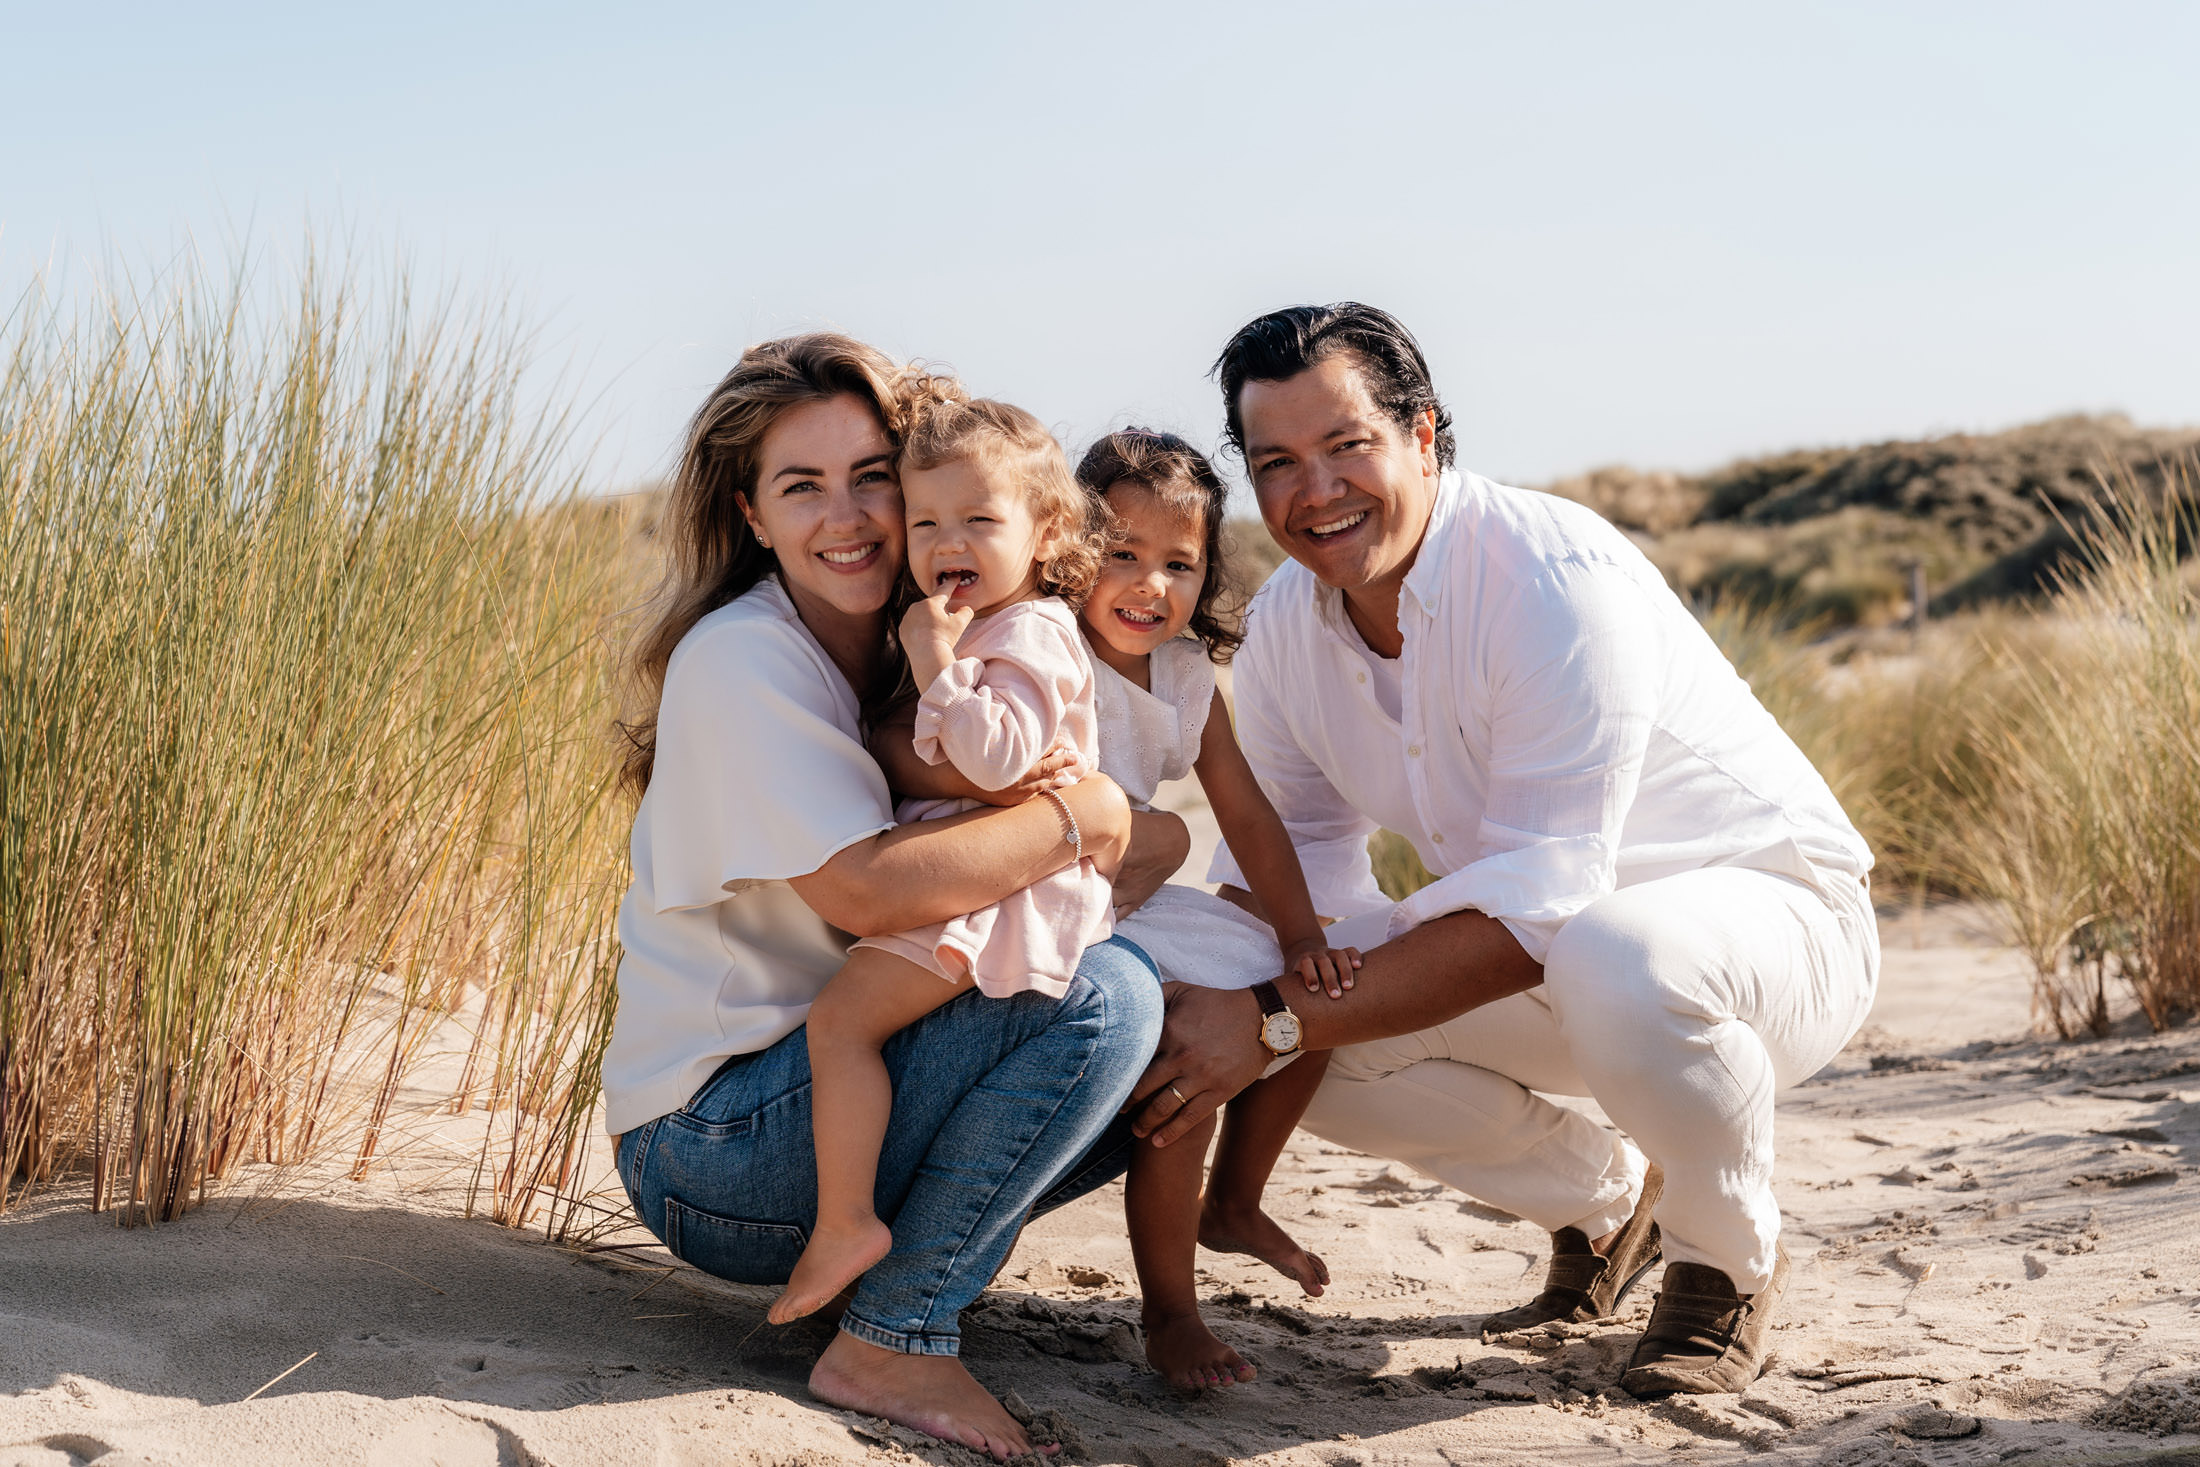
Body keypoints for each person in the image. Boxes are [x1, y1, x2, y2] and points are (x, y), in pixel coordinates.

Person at [1125, 303, 1879, 1397]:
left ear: (1423, 436)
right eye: (1278, 461)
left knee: (1603, 955)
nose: (1315, 491)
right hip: (1568, 957)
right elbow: (1291, 880)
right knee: (1301, 1051)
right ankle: (1612, 1206)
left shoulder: (1549, 577)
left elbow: (1547, 899)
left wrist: (1273, 1017)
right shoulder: (1290, 621)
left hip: (1772, 932)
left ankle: (1727, 1268)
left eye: (1347, 447)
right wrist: (1219, 1015)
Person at [605, 334, 1182, 1462]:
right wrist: (1085, 821)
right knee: (1105, 998)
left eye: (874, 478)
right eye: (802, 486)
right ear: (753, 516)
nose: (852, 516)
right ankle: (894, 1331)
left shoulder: (913, 648)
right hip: (711, 1145)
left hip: (818, 1096)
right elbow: (874, 894)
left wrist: (1106, 820)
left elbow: (1083, 817)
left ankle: (890, 1275)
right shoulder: (744, 659)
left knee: (1167, 1022)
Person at [768, 389, 1116, 1327]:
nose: (945, 541)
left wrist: (933, 661)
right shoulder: (992, 628)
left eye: (978, 519)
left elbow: (997, 758)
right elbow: (949, 756)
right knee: (853, 1022)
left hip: (991, 897)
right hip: (972, 878)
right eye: (925, 520)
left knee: (842, 1023)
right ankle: (861, 1220)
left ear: (1045, 533)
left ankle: (846, 1222)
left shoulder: (1032, 630)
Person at [1078, 429, 1359, 1388]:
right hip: (1067, 904)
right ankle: (1170, 1313)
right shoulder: (1048, 650)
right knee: (1192, 1064)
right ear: (1070, 549)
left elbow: (1244, 809)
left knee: (1308, 1002)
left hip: (1142, 898)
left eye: (1179, 563)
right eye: (1121, 552)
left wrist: (1302, 934)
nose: (1150, 583)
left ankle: (1236, 1202)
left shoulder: (1188, 673)